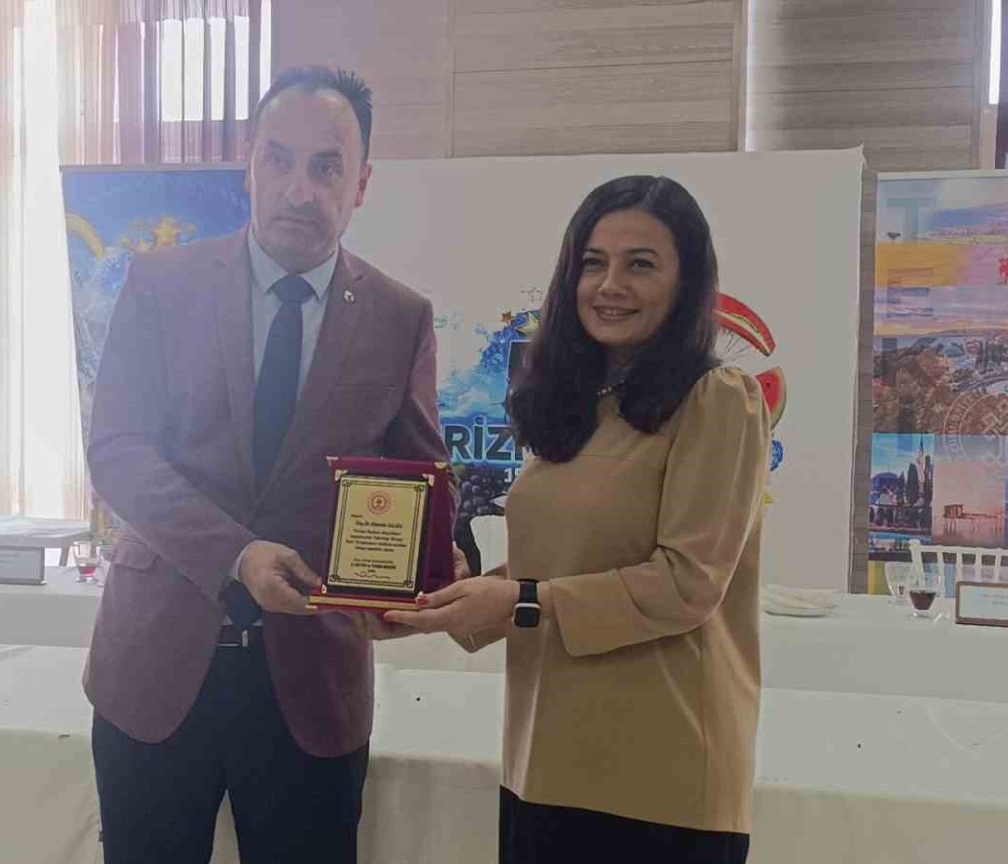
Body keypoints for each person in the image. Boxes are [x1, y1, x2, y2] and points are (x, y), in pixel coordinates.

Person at [84, 66, 447, 864]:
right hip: (154, 671)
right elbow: (117, 451)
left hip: (313, 685)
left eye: (327, 167)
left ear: (362, 184)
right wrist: (238, 555)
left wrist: (433, 568)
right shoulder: (162, 284)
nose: (298, 190)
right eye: (278, 159)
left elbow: (419, 478)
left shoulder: (400, 318)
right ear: (248, 164)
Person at [389, 175, 771, 864]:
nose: (610, 285)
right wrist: (450, 599)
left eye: (641, 264)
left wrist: (520, 600)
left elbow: (687, 583)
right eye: (593, 263)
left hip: (661, 775)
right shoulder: (580, 405)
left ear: (687, 282)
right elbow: (556, 571)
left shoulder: (717, 399)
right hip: (545, 758)